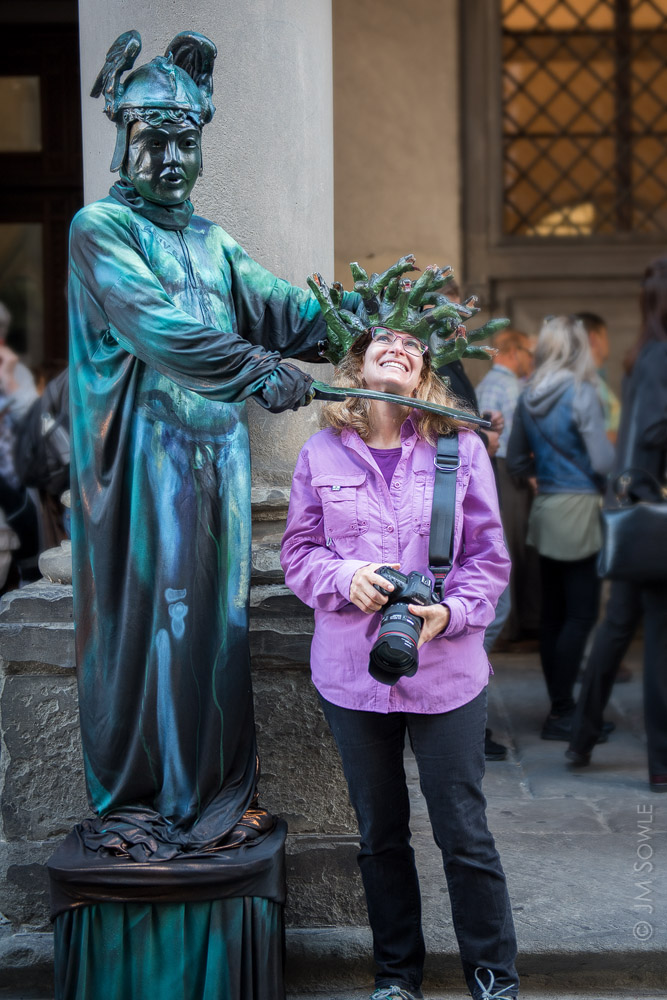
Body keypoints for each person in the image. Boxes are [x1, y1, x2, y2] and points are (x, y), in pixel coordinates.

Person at [67, 31, 361, 859]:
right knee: (152, 631)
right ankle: (144, 797)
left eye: (184, 142)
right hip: (142, 467)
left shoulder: (213, 241)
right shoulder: (100, 229)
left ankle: (211, 796)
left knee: (215, 634)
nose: (169, 158)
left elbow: (278, 307)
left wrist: (352, 321)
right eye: (152, 140)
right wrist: (259, 369)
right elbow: (163, 334)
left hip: (217, 462)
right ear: (125, 142)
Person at [281, 295, 519, 1000]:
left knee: (464, 834)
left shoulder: (458, 448)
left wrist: (444, 614)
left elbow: (488, 559)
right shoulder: (319, 451)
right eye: (382, 341)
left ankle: (492, 977)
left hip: (446, 671)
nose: (397, 347)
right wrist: (344, 574)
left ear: (421, 374)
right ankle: (395, 978)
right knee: (379, 836)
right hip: (352, 676)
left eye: (412, 346)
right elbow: (298, 554)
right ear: (358, 363)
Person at [568, 259, 667, 791]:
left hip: (635, 515)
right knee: (653, 634)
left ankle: (582, 736)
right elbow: (654, 429)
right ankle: (661, 763)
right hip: (651, 516)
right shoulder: (659, 356)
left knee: (619, 625)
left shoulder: (645, 353)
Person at [507, 315, 614, 740]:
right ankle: (566, 713)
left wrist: (543, 479)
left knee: (553, 614)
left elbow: (516, 462)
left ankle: (560, 709)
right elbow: (603, 461)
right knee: (582, 614)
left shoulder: (527, 394)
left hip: (546, 509)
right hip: (582, 509)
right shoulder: (582, 391)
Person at [476, 329, 540, 643]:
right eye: (528, 352)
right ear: (513, 352)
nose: (531, 359)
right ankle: (508, 627)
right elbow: (499, 439)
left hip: (503, 469)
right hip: (502, 470)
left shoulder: (496, 384)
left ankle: (512, 624)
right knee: (509, 546)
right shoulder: (505, 384)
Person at [576, 311, 620, 445]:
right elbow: (597, 437)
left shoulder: (592, 378)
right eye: (605, 336)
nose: (608, 343)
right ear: (593, 338)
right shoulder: (586, 380)